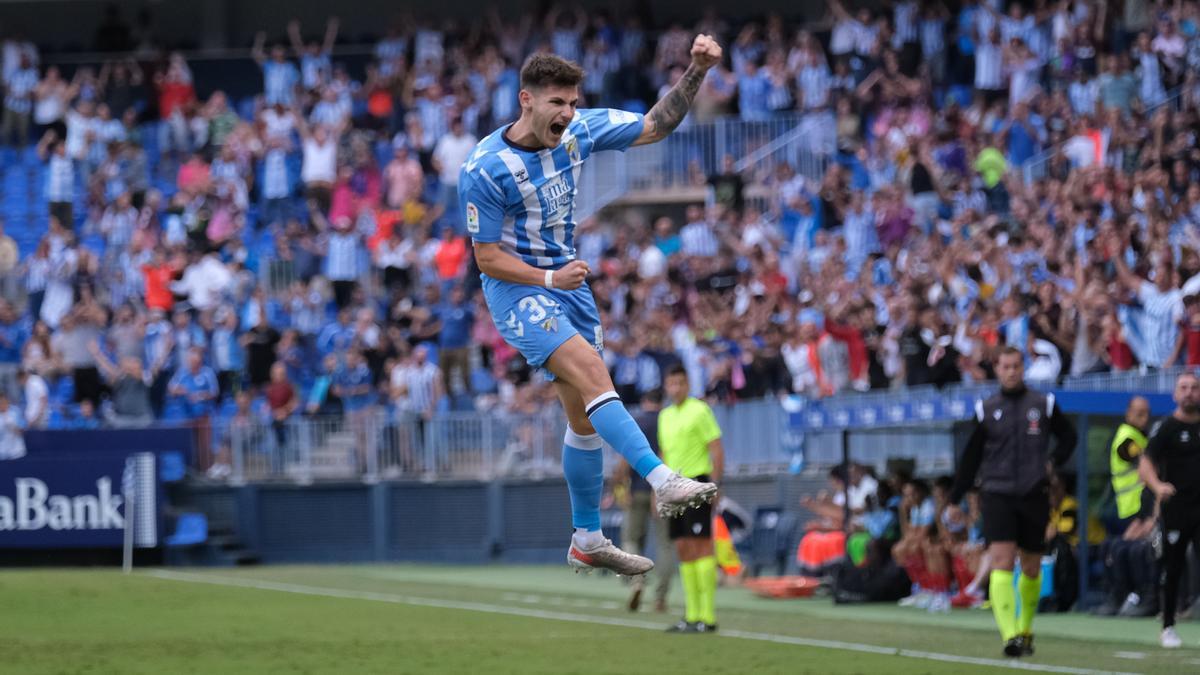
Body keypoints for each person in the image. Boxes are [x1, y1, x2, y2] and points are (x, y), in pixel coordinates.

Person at [458, 39, 724, 576]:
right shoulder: (486, 169)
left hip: (569, 285)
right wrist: (548, 276)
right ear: (526, 100)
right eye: (557, 102)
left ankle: (586, 537)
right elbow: (486, 258)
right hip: (519, 288)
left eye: (573, 103)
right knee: (591, 369)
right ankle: (660, 478)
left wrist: (695, 70)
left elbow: (656, 125)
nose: (568, 113)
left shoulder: (580, 131)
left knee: (582, 418)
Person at [948, 346, 1078, 658]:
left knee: (1031, 567)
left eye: (1016, 366)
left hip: (1034, 494)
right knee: (1002, 560)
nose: (1011, 371)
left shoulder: (1043, 403)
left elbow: (1069, 438)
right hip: (997, 493)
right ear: (997, 369)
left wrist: (1053, 462)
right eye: (1005, 366)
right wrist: (954, 498)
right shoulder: (986, 408)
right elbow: (971, 457)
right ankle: (1010, 636)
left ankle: (1025, 628)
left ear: (1024, 368)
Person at [658, 365, 724, 633]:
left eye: (680, 383)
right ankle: (691, 614)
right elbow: (663, 454)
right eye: (671, 383)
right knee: (683, 547)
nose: (676, 388)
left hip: (696, 483)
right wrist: (659, 489)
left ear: (687, 384)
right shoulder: (665, 416)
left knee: (701, 545)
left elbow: (716, 448)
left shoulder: (700, 410)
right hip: (673, 487)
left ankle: (707, 617)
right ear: (666, 386)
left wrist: (715, 484)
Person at [1140, 372, 1200, 649]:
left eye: (1194, 388)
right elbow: (1146, 464)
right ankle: (1168, 626)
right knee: (1173, 567)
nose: (1189, 392)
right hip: (1177, 509)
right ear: (1175, 394)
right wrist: (1157, 485)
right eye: (1183, 388)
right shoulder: (1165, 427)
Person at [615, 388, 673, 613]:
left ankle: (637, 581)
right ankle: (660, 598)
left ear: (644, 400)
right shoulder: (668, 421)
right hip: (663, 489)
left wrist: (620, 483)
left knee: (630, 539)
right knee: (665, 544)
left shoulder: (636, 421)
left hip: (637, 488)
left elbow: (626, 455)